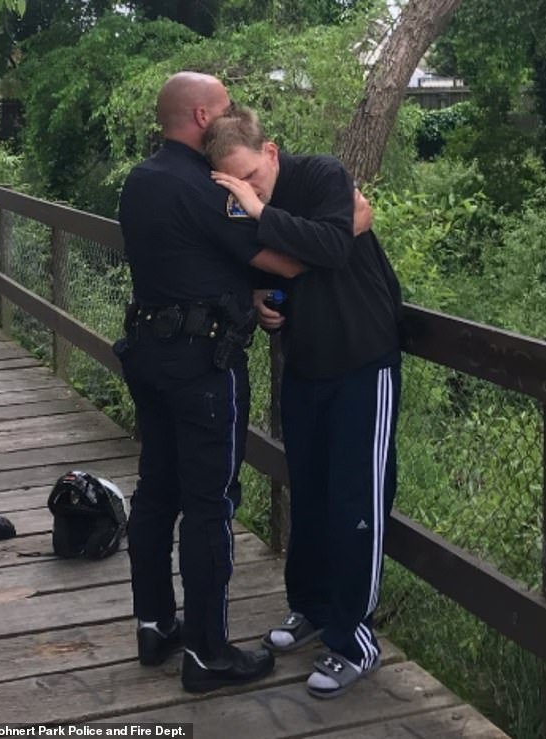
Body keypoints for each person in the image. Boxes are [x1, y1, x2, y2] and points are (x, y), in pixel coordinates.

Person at [114, 72, 307, 694]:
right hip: (201, 365)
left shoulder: (140, 181)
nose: (231, 120)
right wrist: (339, 231)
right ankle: (206, 652)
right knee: (209, 504)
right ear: (201, 116)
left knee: (155, 490)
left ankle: (153, 623)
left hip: (148, 352)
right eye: (225, 111)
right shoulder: (207, 187)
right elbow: (278, 256)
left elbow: (188, 259)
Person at [203, 106, 402, 699]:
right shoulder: (239, 202)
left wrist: (263, 212)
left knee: (355, 502)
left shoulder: (321, 175)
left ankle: (354, 638)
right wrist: (267, 294)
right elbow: (272, 259)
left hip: (363, 361)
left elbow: (334, 247)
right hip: (305, 363)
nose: (247, 193)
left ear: (271, 151)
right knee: (309, 492)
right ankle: (311, 608)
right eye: (234, 186)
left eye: (252, 178)